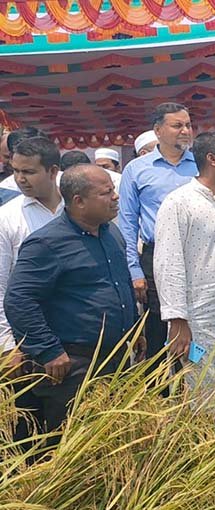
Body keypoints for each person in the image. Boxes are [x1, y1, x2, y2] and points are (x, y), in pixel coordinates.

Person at [5, 164, 137, 435]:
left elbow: (120, 284)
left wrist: (133, 327)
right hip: (72, 365)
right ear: (78, 201)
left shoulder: (110, 233)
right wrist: (47, 350)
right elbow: (19, 299)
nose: (115, 197)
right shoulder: (47, 244)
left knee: (113, 442)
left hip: (116, 360)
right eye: (106, 192)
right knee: (70, 441)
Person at [154, 132, 215, 406]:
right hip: (196, 323)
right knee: (199, 399)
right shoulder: (179, 202)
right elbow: (167, 263)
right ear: (212, 159)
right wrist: (177, 320)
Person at [118, 102, 197, 373]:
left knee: (196, 325)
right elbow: (127, 223)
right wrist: (134, 269)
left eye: (187, 125)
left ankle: (196, 392)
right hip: (155, 258)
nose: (185, 130)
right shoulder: (137, 169)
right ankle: (157, 399)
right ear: (158, 130)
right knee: (157, 331)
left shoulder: (201, 163)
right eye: (177, 125)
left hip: (198, 255)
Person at [0, 137, 64, 381]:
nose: (20, 179)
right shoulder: (7, 218)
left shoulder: (75, 209)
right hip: (27, 339)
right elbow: (1, 287)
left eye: (28, 172)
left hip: (78, 336)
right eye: (15, 171)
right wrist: (6, 345)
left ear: (53, 171)